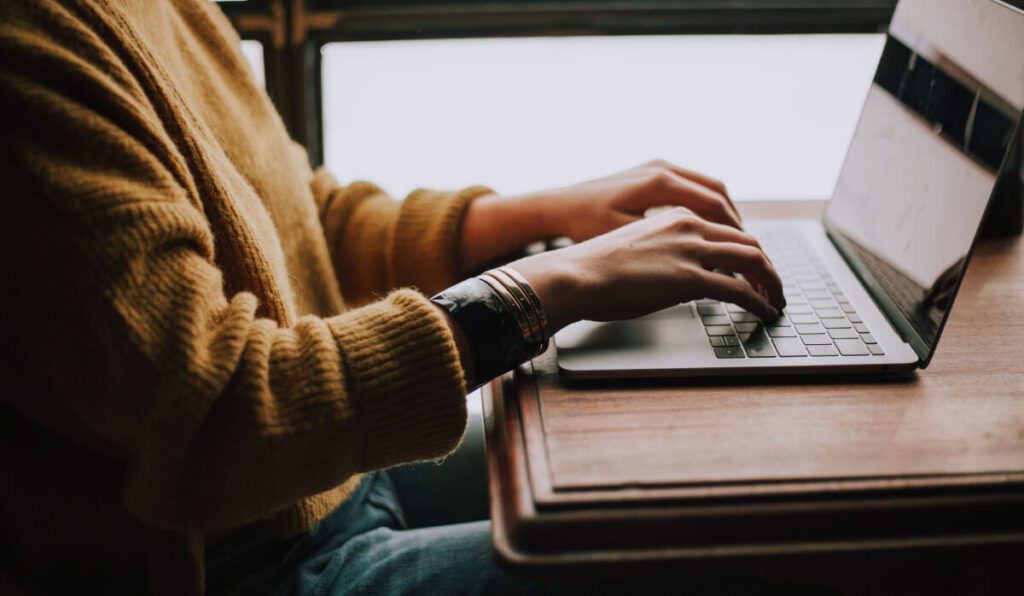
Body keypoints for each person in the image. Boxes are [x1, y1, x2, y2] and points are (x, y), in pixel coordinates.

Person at [0, 1, 785, 594]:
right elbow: (219, 420)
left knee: (713, 483)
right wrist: (549, 286)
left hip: (328, 477)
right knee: (724, 562)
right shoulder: (27, 52)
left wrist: (543, 215)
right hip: (239, 563)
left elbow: (296, 222)